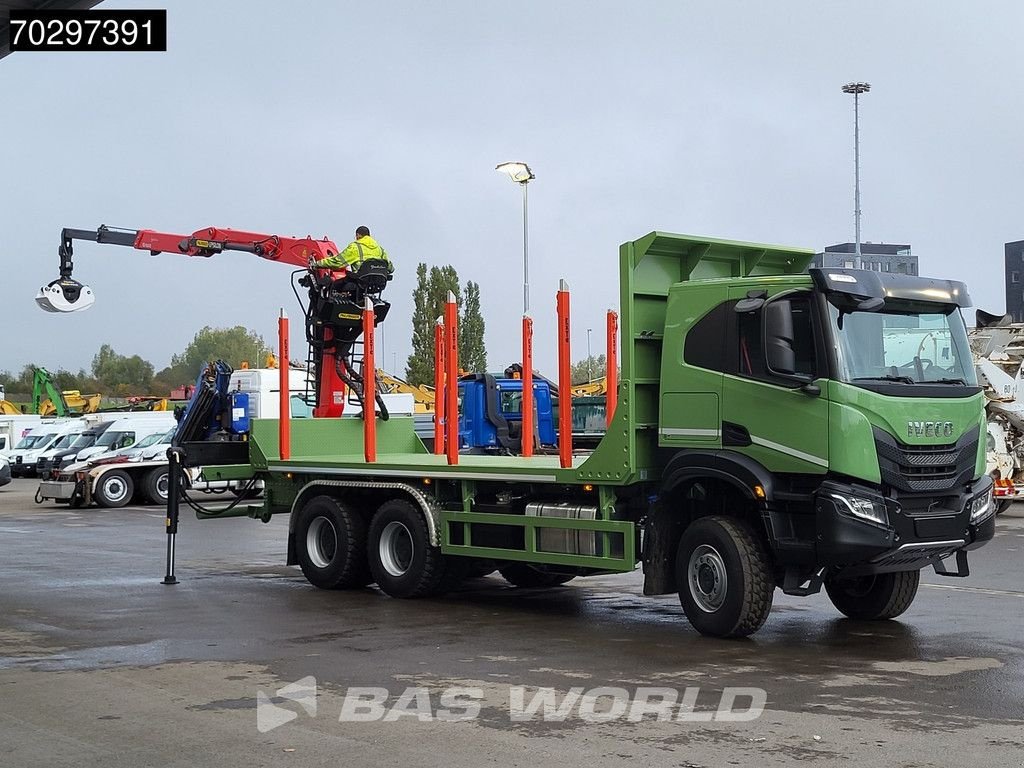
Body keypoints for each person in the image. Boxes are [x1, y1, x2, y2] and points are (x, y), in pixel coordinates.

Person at [315, 226, 393, 273]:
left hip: (360, 282)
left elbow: (338, 262)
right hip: (377, 284)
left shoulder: (355, 247)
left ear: (358, 235)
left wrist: (318, 264)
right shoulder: (380, 249)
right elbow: (390, 268)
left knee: (334, 286)